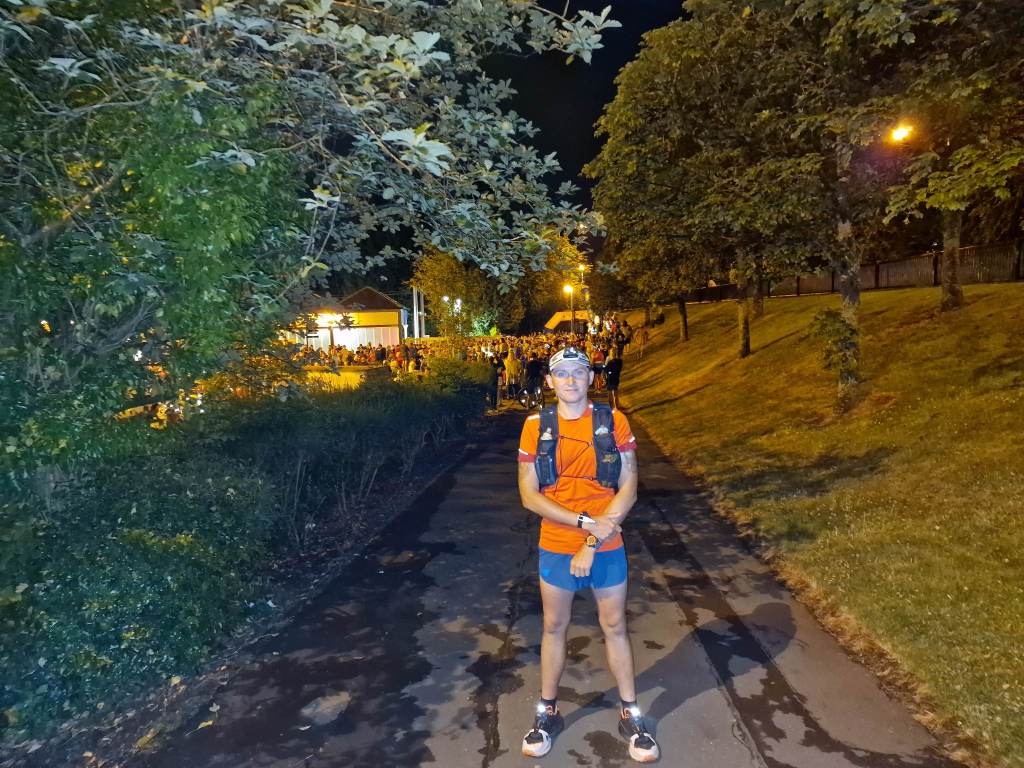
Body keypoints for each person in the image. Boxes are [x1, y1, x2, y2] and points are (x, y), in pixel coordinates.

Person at [517, 346, 659, 763]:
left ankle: (631, 715)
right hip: (557, 543)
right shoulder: (535, 425)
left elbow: (628, 487)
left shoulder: (613, 421)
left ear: (591, 378)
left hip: (606, 543)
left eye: (579, 372)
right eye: (562, 373)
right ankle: (547, 712)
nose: (571, 380)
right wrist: (583, 524)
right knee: (553, 626)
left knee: (615, 626)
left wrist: (592, 541)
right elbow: (528, 495)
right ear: (550, 381)